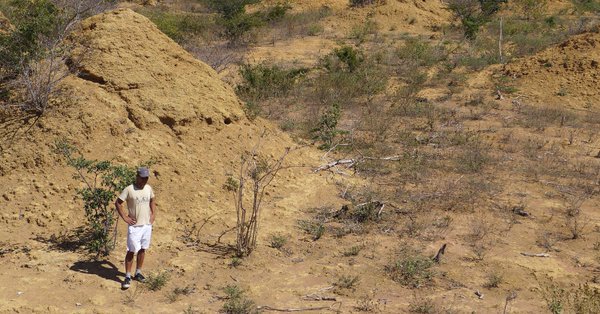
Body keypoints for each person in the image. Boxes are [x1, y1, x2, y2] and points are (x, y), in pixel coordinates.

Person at [115, 167, 156, 289]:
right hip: (135, 227)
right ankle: (127, 276)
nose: (144, 180)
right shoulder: (129, 189)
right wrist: (125, 217)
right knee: (131, 250)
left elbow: (152, 200)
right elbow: (118, 203)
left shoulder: (148, 188)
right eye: (142, 178)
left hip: (147, 225)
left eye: (146, 178)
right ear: (137, 177)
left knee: (143, 249)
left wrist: (153, 214)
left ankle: (138, 272)